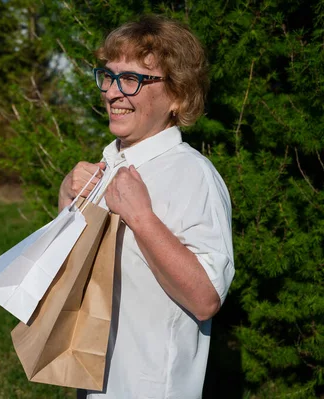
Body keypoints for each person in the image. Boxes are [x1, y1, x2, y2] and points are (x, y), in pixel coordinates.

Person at [58, 15, 234, 398]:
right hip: (95, 377)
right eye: (108, 75)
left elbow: (205, 300)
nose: (112, 92)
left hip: (150, 386)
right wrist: (67, 206)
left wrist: (141, 218)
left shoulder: (193, 175)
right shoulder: (110, 163)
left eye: (132, 79)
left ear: (178, 96)